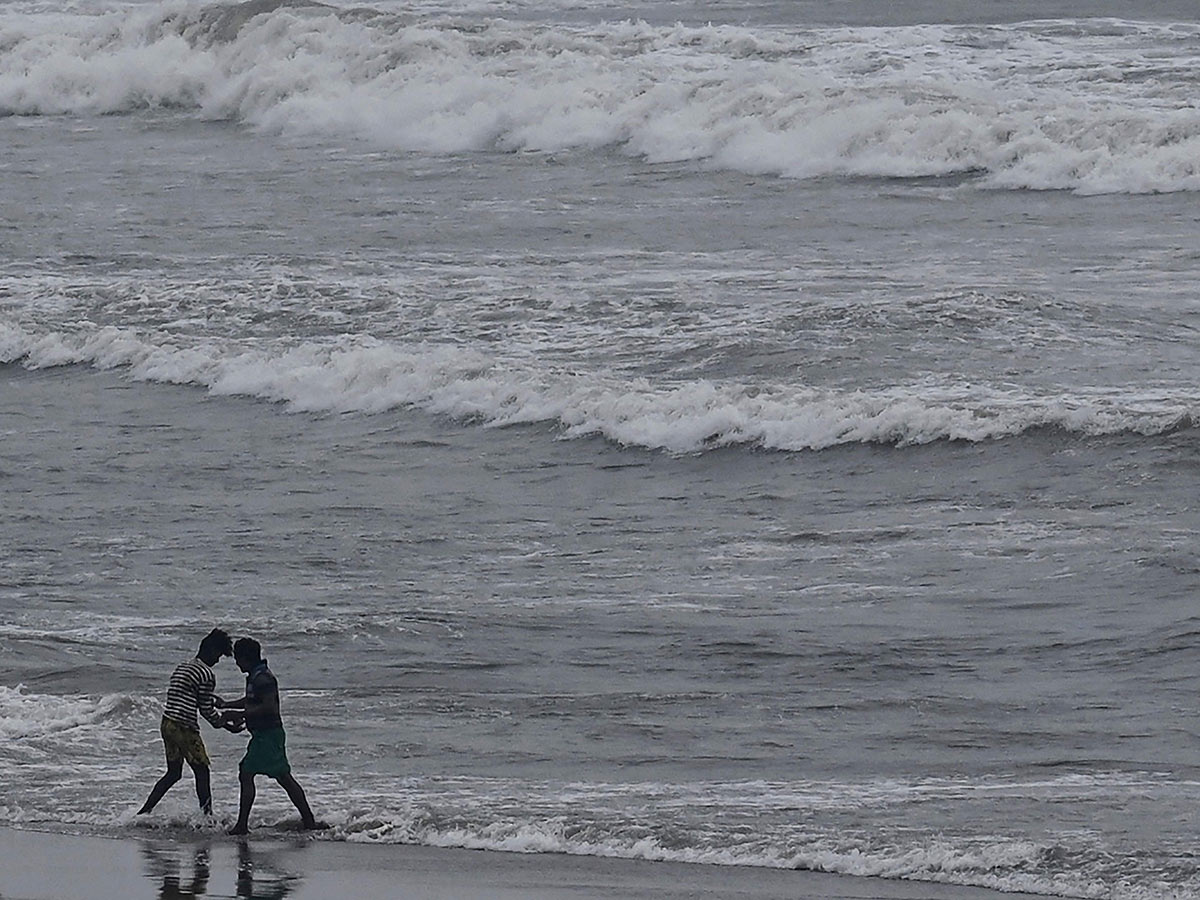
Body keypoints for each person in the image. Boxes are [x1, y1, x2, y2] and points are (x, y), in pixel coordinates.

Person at [220, 637, 320, 835]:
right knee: (282, 777)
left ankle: (242, 825)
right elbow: (251, 701)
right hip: (265, 735)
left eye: (238, 659)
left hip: (268, 736)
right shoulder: (256, 676)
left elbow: (268, 707)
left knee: (247, 773)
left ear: (246, 658)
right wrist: (226, 704)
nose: (237, 664)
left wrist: (239, 714)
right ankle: (309, 821)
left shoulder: (263, 679)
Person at [138, 628, 242, 817]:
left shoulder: (183, 666)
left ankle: (144, 811)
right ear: (210, 651)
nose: (218, 660)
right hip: (185, 728)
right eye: (218, 655)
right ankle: (207, 817)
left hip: (167, 723)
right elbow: (206, 711)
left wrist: (214, 702)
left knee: (173, 773)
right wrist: (225, 722)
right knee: (202, 771)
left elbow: (187, 694)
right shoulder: (206, 674)